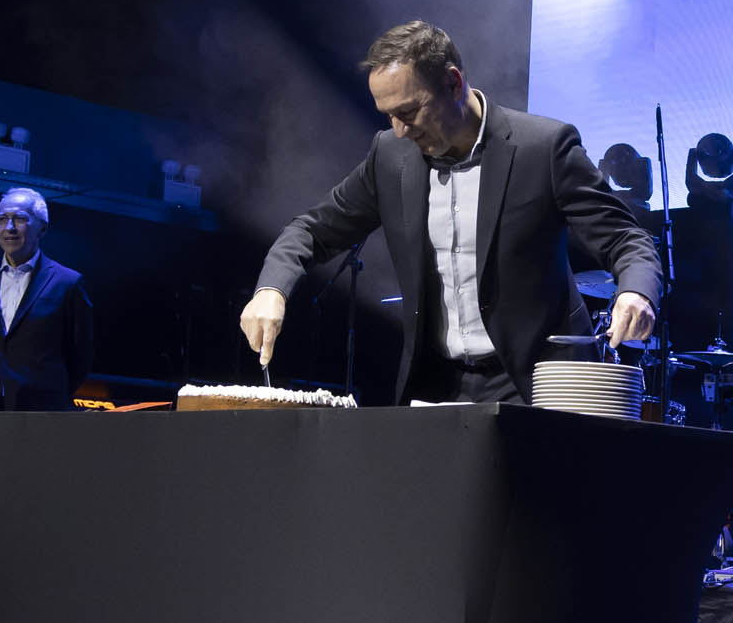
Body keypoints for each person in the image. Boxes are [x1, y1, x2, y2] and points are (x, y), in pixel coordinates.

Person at [240, 21, 660, 404]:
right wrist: (270, 290)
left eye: (409, 112)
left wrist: (636, 292)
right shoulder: (390, 156)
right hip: (438, 384)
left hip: (537, 380)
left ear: (453, 83)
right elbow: (312, 230)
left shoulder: (543, 147)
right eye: (389, 116)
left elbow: (626, 238)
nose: (399, 129)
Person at [0, 187, 93, 410]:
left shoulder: (68, 283)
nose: (9, 228)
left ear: (42, 229)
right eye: (2, 219)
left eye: (19, 219)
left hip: (41, 411)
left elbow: (81, 356)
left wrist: (49, 394)